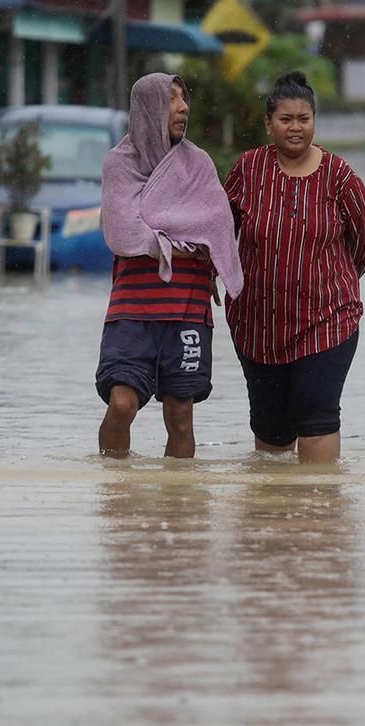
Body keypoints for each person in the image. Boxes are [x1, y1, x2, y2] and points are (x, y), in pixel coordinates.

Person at [223, 71, 365, 464]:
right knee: (272, 436)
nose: (295, 128)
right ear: (268, 123)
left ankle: (321, 517)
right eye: (285, 120)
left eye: (304, 119)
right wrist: (218, 273)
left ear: (314, 120)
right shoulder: (248, 170)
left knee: (316, 417)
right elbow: (221, 230)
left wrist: (335, 280)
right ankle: (279, 518)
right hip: (258, 325)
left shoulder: (338, 175)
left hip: (326, 322)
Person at [96, 73, 243, 458]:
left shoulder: (198, 164)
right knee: (122, 405)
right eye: (171, 100)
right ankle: (116, 494)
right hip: (132, 308)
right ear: (147, 110)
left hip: (186, 305)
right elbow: (123, 233)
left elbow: (216, 227)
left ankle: (179, 508)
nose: (183, 108)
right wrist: (181, 247)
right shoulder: (119, 165)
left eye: (184, 99)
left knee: (180, 415)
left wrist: (176, 242)